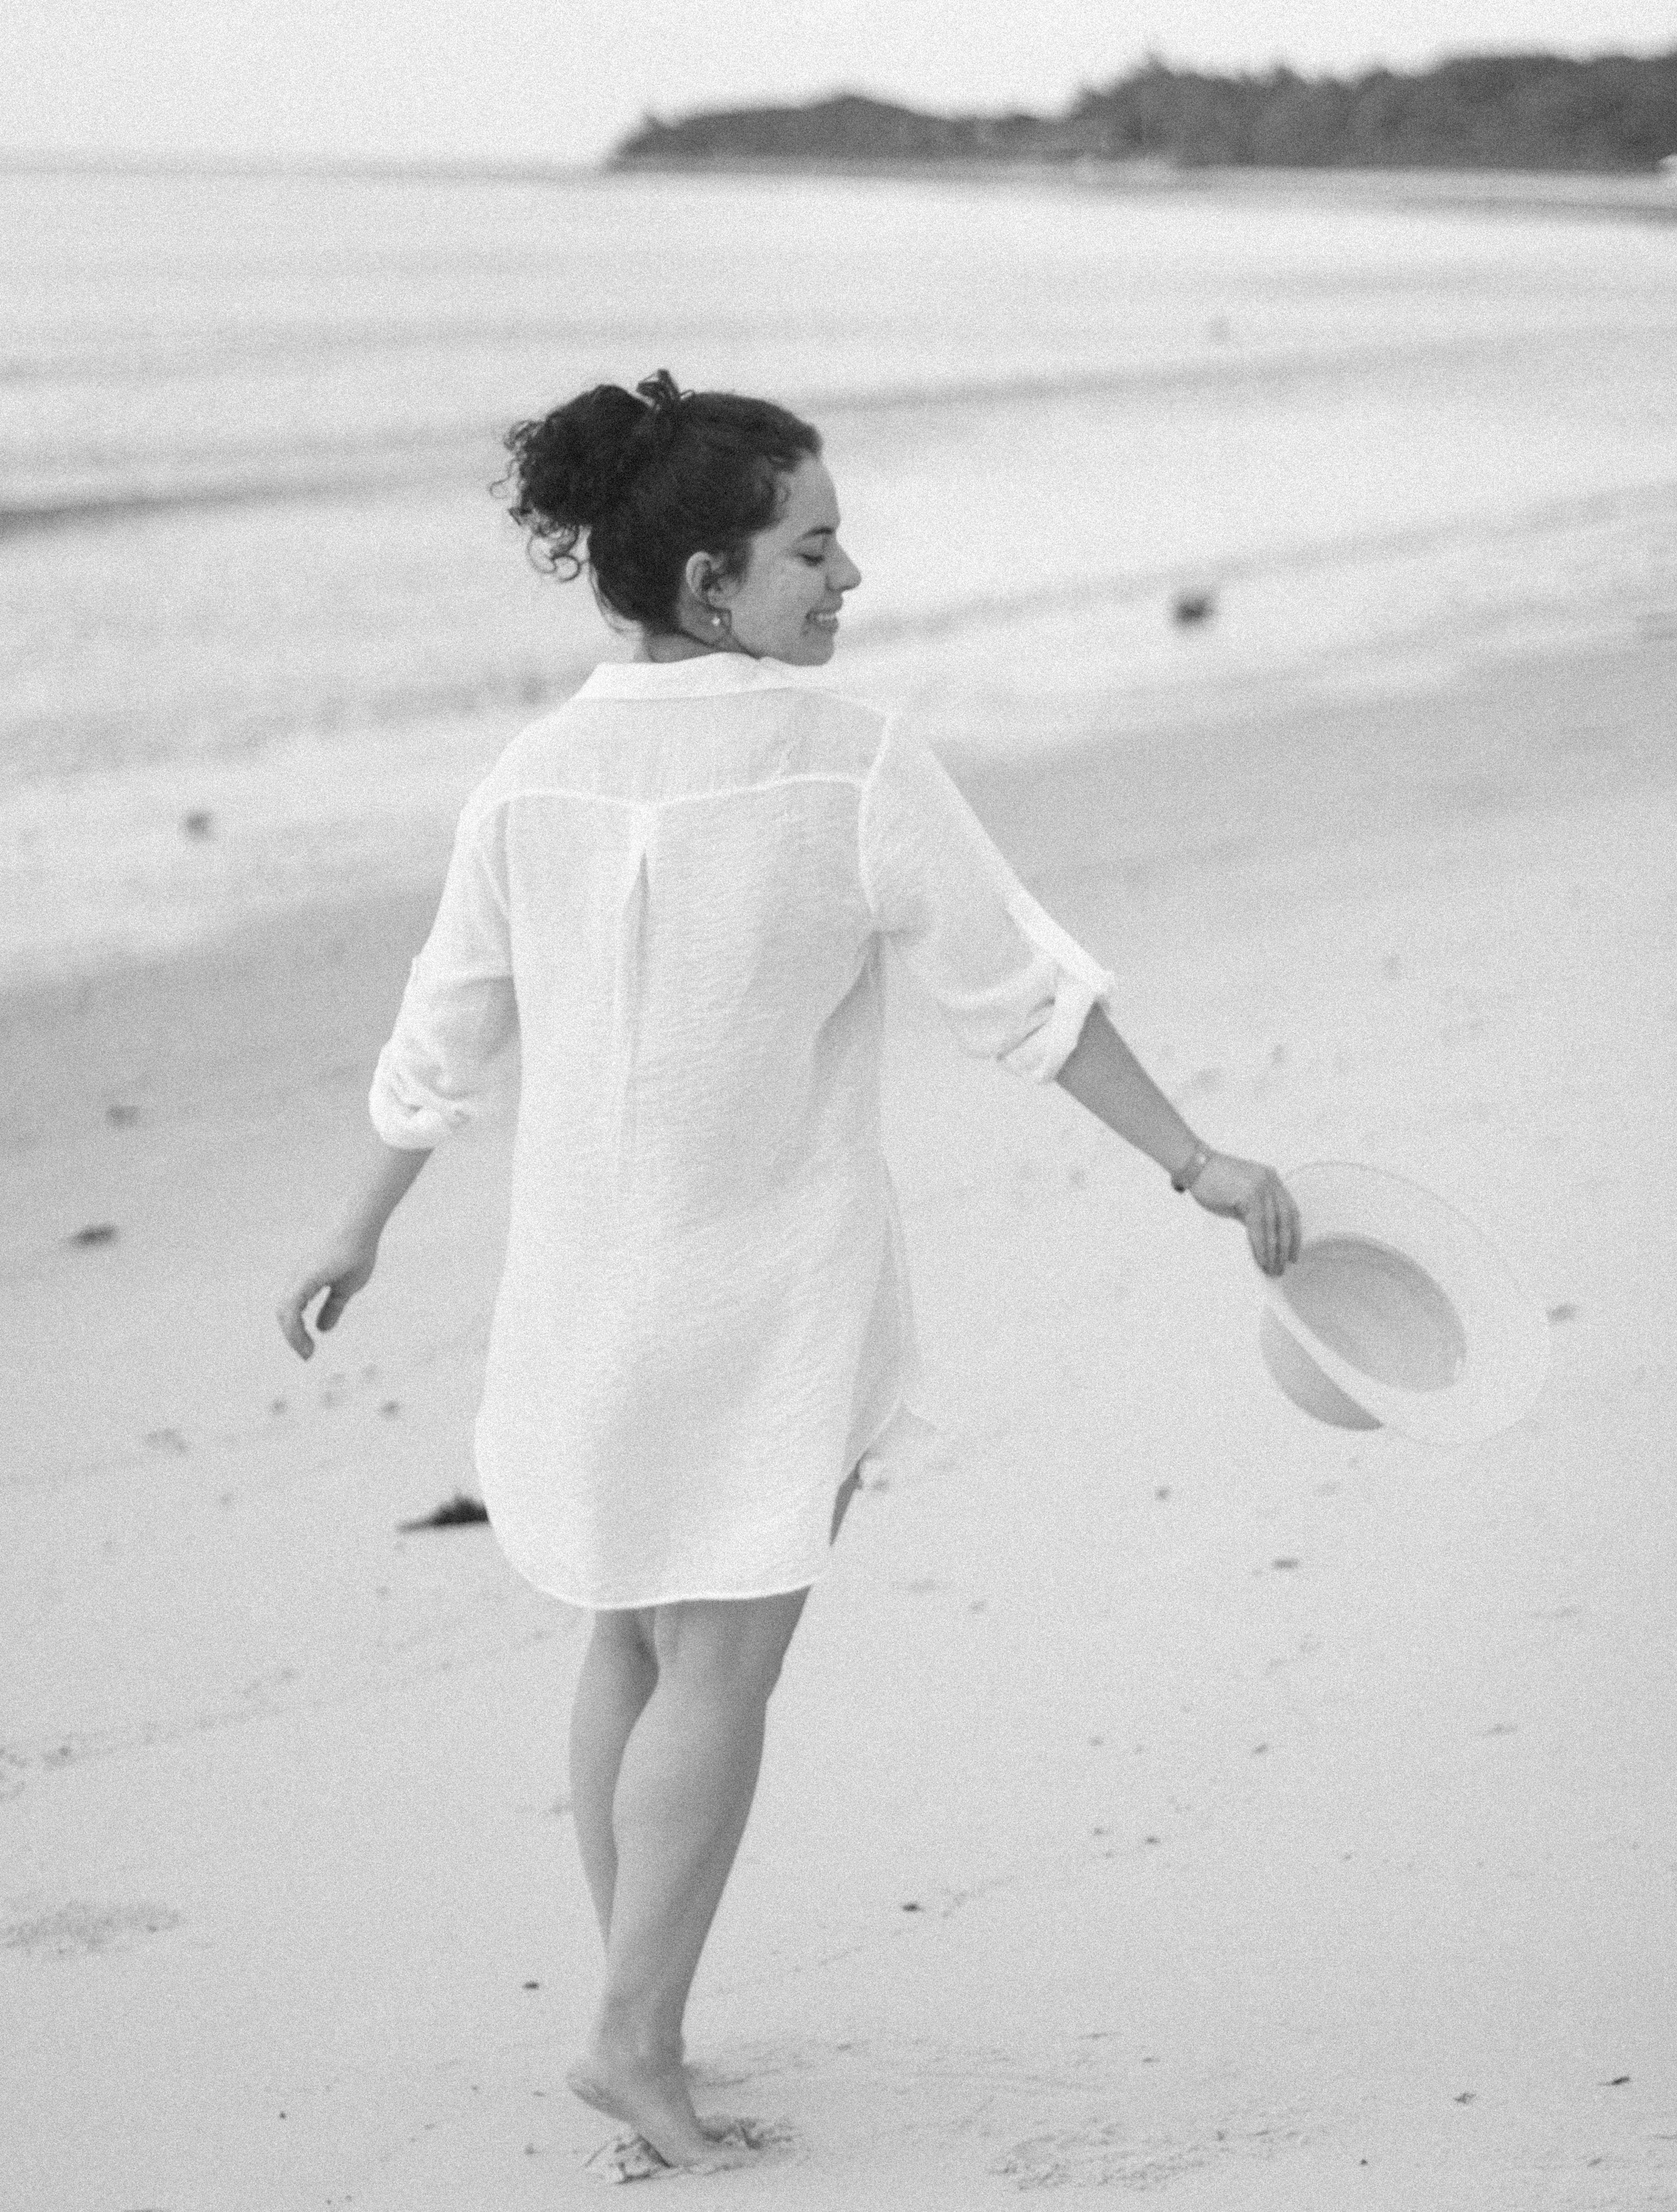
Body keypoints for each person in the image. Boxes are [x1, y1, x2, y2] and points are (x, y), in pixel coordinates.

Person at [275, 369, 1302, 2176]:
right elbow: (1023, 1001)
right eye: (812, 549)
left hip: (580, 1290)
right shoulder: (851, 758)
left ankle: (639, 2016)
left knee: (625, 1626)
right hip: (763, 1286)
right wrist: (1195, 1162)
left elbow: (444, 1030)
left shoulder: (530, 776)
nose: (850, 580)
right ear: (707, 589)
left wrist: (357, 1227)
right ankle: (631, 2037)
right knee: (723, 1663)